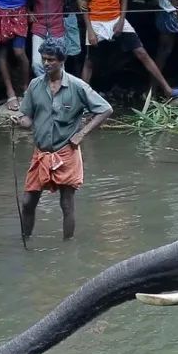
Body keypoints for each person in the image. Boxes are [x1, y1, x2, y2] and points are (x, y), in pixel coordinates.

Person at [16, 40, 112, 241]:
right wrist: (19, 120)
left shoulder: (77, 86)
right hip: (41, 153)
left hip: (66, 151)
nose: (46, 63)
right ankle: (26, 239)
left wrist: (82, 134)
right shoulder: (35, 85)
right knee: (27, 202)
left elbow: (105, 109)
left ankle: (68, 245)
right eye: (43, 59)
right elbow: (27, 118)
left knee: (66, 204)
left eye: (51, 59)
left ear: (62, 61)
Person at [80, 0, 176, 98]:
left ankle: (167, 89)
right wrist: (90, 30)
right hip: (97, 20)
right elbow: (84, 4)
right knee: (90, 61)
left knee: (141, 52)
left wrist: (121, 19)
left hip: (116, 18)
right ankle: (81, 98)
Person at [29, 0, 75, 78]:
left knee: (59, 64)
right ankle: (47, 88)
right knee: (37, 64)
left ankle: (58, 90)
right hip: (39, 27)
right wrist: (28, 11)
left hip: (57, 27)